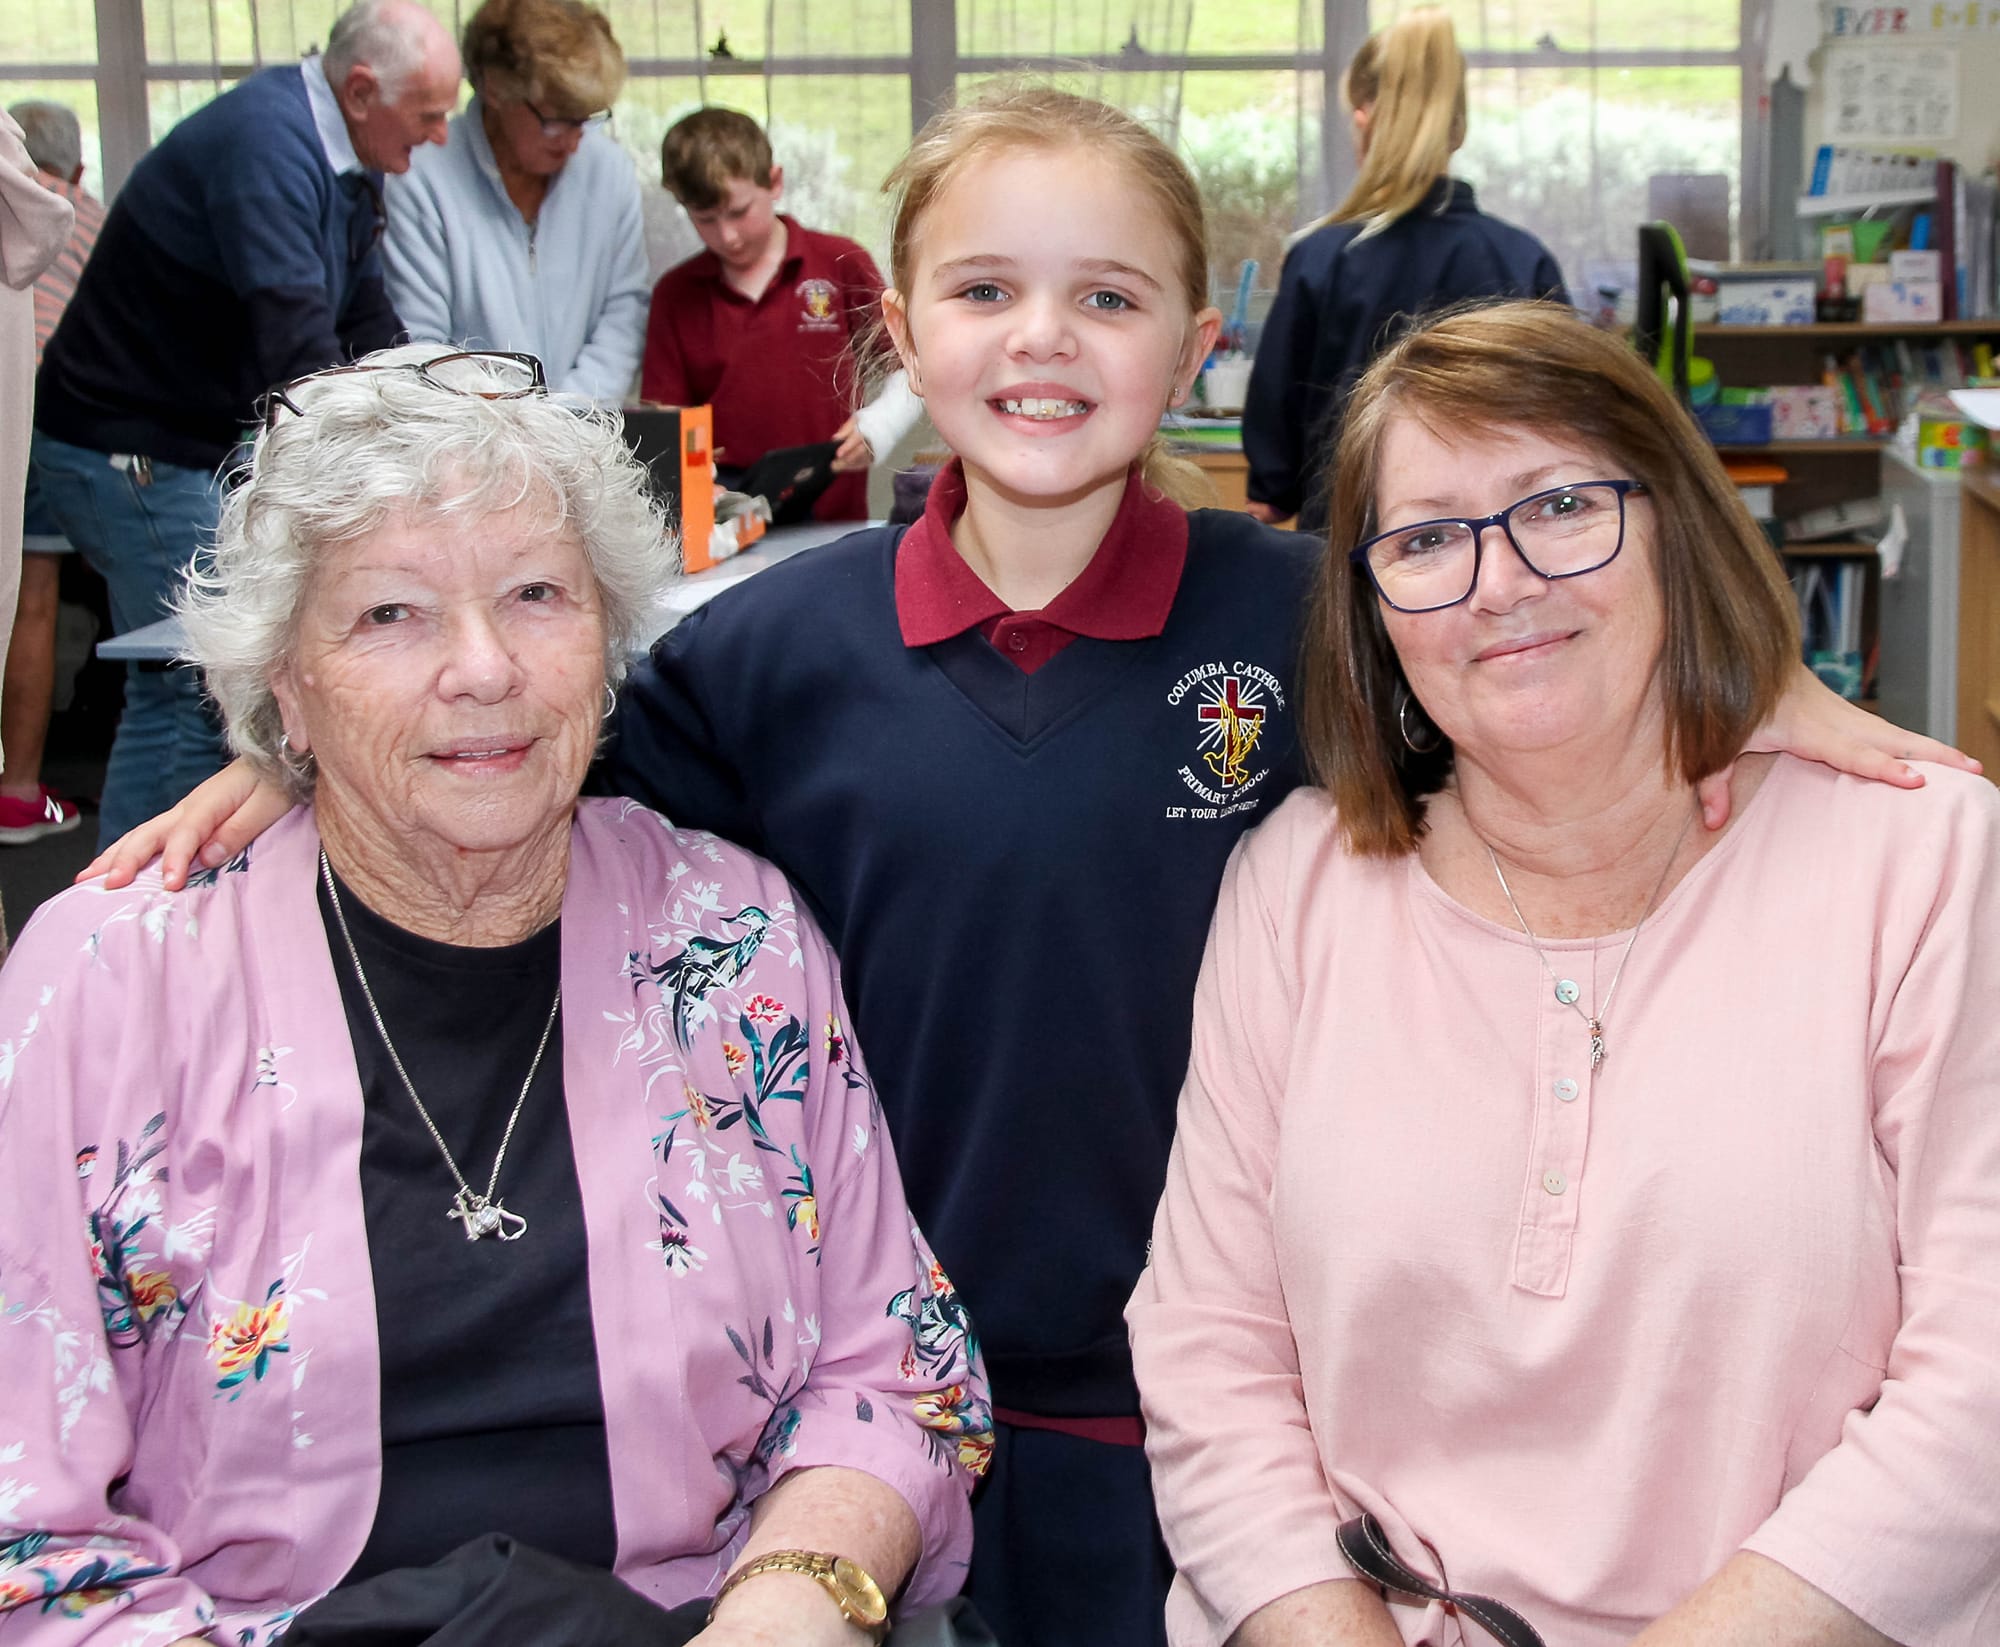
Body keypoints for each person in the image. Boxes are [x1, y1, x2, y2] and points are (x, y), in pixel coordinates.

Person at [82, 92, 1976, 1647]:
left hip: (1256, 1440)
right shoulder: (767, 652)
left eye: (1110, 296)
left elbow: (1539, 645)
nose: (1044, 342)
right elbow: (499, 752)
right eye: (986, 289)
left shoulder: (1308, 611)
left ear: (1202, 338)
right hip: (882, 1424)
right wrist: (290, 761)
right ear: (898, 330)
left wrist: (1781, 693)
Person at [0, 346, 988, 1647]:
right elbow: (29, 1526)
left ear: (607, 632)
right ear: (286, 684)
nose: (483, 667)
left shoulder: (734, 939)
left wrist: (790, 1606)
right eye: (390, 614)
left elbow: (893, 1367)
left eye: (536, 594)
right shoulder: (109, 981)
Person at [1128, 302, 2000, 1646]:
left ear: (1677, 529)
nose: (1498, 581)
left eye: (1561, 505)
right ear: (1372, 610)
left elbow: (1977, 1391)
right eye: (1424, 539)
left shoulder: (1924, 860)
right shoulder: (1297, 884)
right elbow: (1209, 1346)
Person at [30, 0, 461, 847]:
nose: (442, 135)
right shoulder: (268, 147)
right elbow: (295, 353)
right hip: (131, 446)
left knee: (190, 685)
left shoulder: (344, 143)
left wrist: (436, 419)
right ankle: (146, 911)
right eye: (432, 114)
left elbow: (368, 321)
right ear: (364, 89)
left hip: (174, 439)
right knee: (200, 686)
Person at [1242, 7, 1565, 534]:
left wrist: (1273, 490)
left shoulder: (1321, 259)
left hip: (1349, 553)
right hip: (1495, 546)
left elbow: (1274, 475)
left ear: (1362, 122)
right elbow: (1567, 430)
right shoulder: (1521, 259)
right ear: (1457, 129)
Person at [643, 107, 922, 521]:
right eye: (705, 220)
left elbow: (912, 364)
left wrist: (878, 428)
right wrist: (688, 476)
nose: (728, 236)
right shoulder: (675, 293)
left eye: (739, 212)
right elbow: (664, 422)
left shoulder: (838, 262)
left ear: (774, 182)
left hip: (832, 513)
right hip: (726, 520)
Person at [383, 0, 650, 403]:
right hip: (466, 435)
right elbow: (420, 344)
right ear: (495, 89)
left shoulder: (609, 171)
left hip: (584, 431)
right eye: (558, 118)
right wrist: (510, 431)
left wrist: (566, 419)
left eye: (587, 117)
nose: (576, 140)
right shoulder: (421, 177)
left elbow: (623, 313)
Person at [0, 100, 103, 847]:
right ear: (75, 168)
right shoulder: (85, 214)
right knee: (30, 601)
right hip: (45, 412)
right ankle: (20, 791)